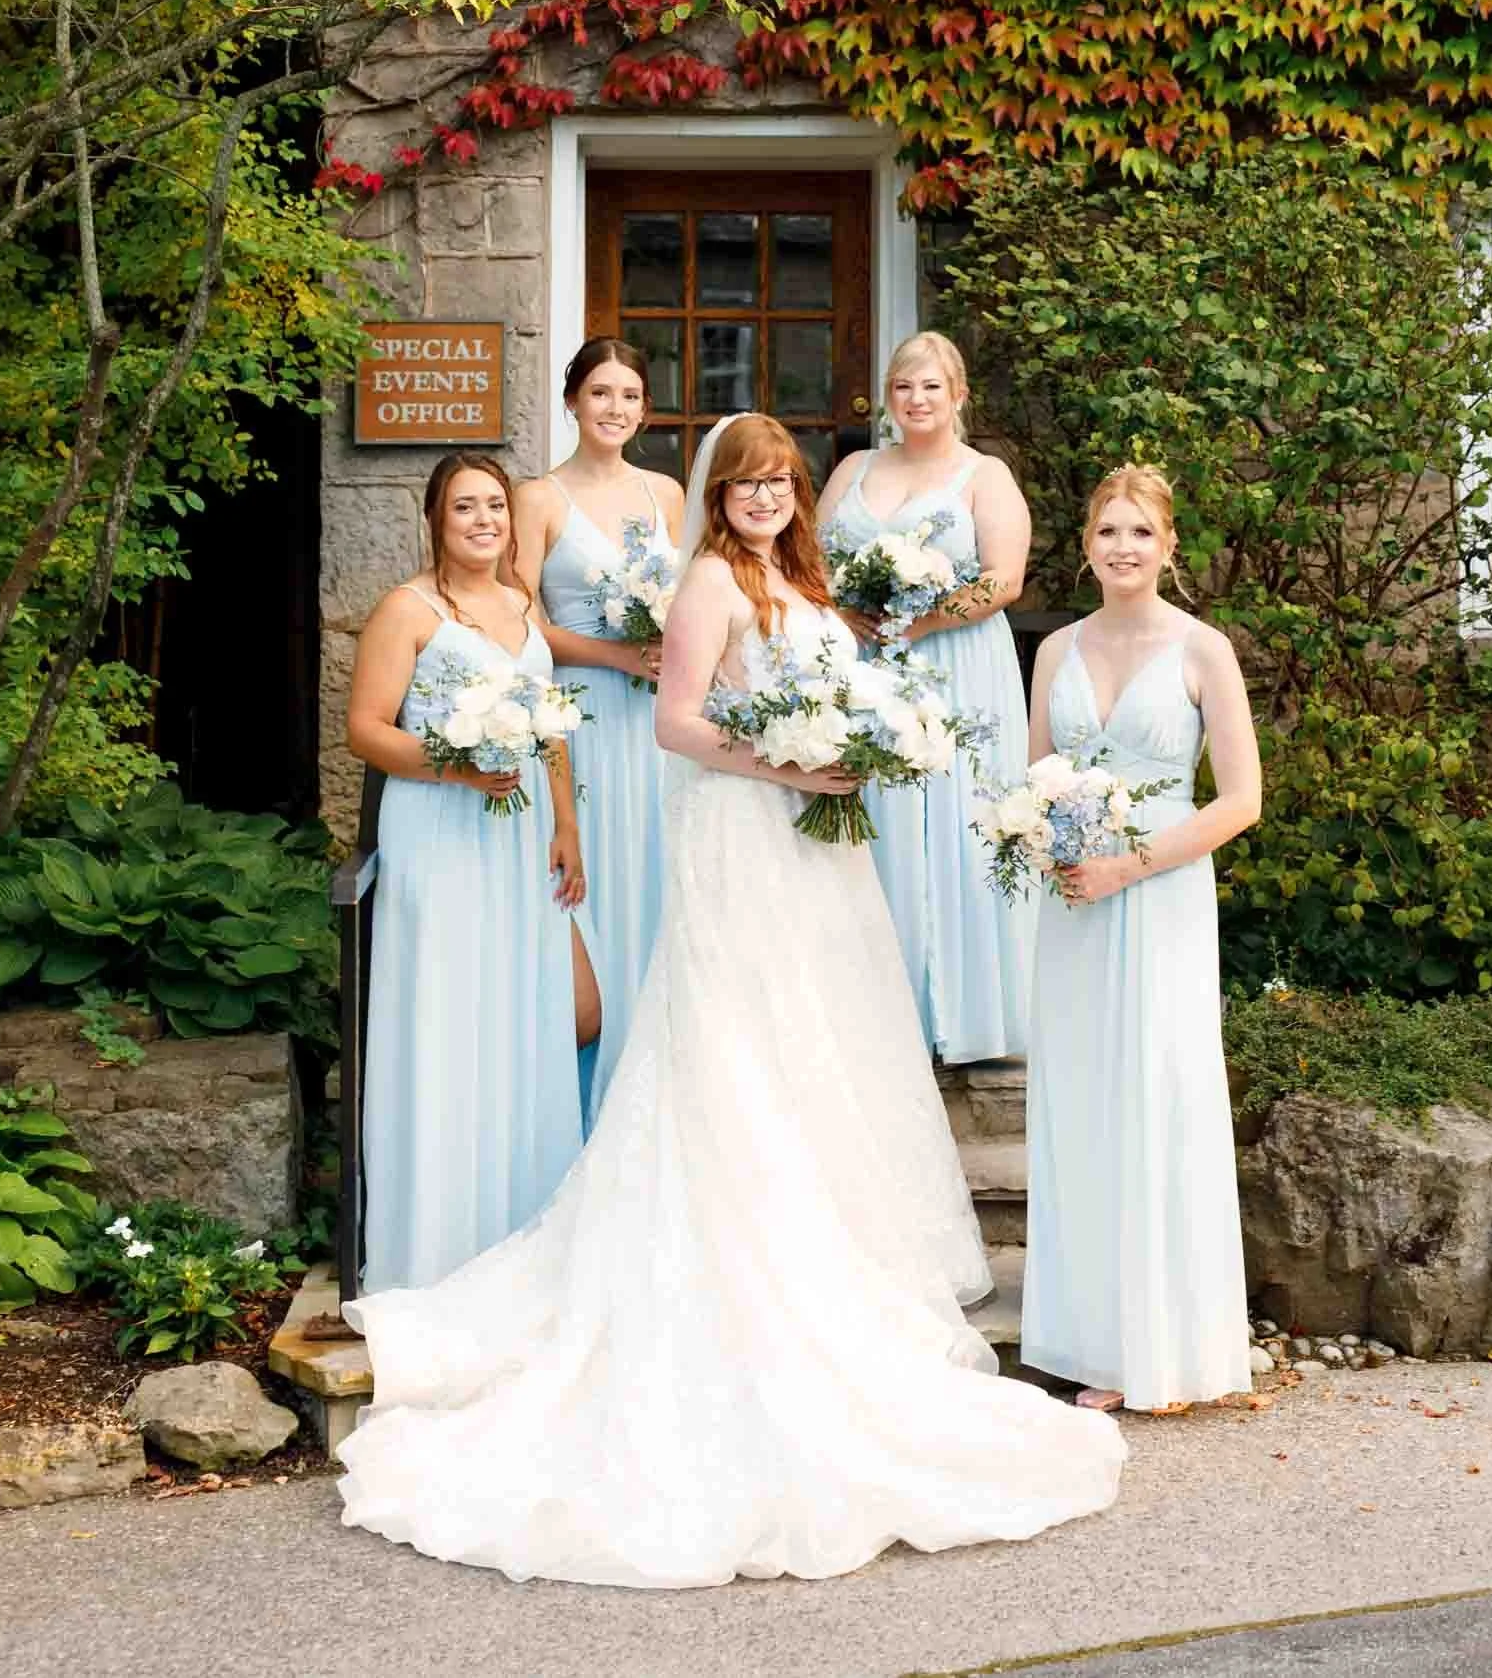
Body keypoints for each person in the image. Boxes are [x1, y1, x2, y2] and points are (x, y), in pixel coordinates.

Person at [337, 415, 1124, 1587]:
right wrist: (792, 763)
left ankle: (841, 1254)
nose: (761, 497)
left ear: (797, 494)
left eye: (777, 481)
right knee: (738, 1045)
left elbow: (836, 690)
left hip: (818, 852)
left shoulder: (801, 576)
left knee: (827, 1044)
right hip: (742, 838)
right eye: (746, 483)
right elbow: (675, 720)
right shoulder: (706, 578)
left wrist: (872, 740)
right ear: (720, 497)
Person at [1022, 465, 1261, 1414]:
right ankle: (1090, 1340)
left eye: (1140, 533)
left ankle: (1163, 1346)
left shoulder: (1205, 652)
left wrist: (1133, 864)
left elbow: (1241, 801)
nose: (1123, 548)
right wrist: (1042, 845)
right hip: (1074, 902)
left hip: (1159, 895)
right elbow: (1036, 774)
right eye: (1107, 532)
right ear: (1086, 546)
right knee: (1081, 1103)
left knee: (1156, 1092)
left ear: (1169, 546)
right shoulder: (1056, 652)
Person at [345, 454, 603, 1294]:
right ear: (436, 519)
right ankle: (441, 1240)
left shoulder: (523, 606)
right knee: (450, 1013)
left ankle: (522, 1226)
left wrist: (566, 824)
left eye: (495, 505)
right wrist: (453, 768)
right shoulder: (408, 610)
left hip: (522, 836)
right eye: (466, 508)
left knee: (546, 1010)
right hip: (439, 830)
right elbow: (366, 731)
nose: (485, 520)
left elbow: (550, 725)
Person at [820, 332, 1037, 1062]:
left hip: (957, 665)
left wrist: (921, 618)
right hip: (866, 667)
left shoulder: (985, 475)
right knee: (876, 818)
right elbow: (811, 564)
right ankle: (884, 1016)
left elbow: (1004, 580)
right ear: (889, 396)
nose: (916, 400)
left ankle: (970, 1015)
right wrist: (847, 617)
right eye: (904, 387)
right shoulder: (854, 468)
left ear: (959, 395)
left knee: (956, 820)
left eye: (931, 387)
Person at [513, 339, 681, 1117]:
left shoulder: (666, 494)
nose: (616, 408)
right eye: (601, 393)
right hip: (578, 716)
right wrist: (615, 653)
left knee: (659, 887)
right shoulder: (539, 498)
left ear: (645, 409)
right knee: (591, 891)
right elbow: (519, 623)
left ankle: (656, 1106)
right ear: (573, 400)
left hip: (656, 726)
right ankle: (581, 1107)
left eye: (631, 395)